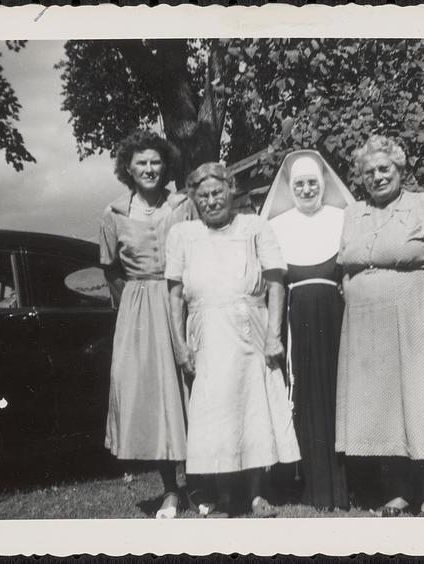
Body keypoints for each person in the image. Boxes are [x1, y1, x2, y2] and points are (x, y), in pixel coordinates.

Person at [166, 162, 300, 518]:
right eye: (203, 195)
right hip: (206, 333)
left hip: (249, 329)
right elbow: (175, 296)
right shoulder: (182, 235)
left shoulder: (254, 226)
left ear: (231, 192)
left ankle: (257, 494)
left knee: (254, 409)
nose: (211, 201)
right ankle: (226, 496)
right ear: (194, 199)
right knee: (217, 414)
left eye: (218, 192)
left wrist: (273, 335)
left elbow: (275, 284)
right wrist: (180, 345)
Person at [335, 135, 424, 517]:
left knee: (420, 401)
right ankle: (399, 489)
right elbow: (346, 268)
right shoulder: (353, 213)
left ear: (400, 169)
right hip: (366, 326)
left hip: (414, 315)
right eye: (369, 172)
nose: (377, 177)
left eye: (384, 169)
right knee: (383, 406)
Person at [99, 129, 194, 519]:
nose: (150, 168)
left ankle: (203, 486)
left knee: (192, 390)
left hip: (183, 299)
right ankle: (171, 490)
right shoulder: (114, 213)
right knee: (157, 400)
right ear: (128, 168)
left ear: (164, 165)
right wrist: (135, 307)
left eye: (156, 161)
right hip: (139, 308)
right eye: (141, 163)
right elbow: (110, 269)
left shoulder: (183, 204)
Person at [261, 150, 354, 510]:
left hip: (336, 317)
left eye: (312, 182)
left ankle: (345, 483)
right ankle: (314, 485)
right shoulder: (278, 225)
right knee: (305, 399)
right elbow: (274, 282)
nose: (306, 189)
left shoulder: (342, 218)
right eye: (298, 183)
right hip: (297, 319)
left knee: (338, 395)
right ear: (289, 187)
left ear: (324, 183)